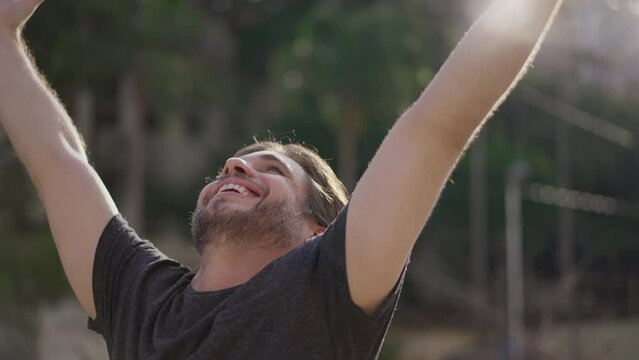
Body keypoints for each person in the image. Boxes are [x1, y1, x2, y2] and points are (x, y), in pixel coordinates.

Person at [0, 0, 564, 359]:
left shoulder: (326, 290)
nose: (236, 166)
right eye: (233, 164)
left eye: (271, 169)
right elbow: (58, 161)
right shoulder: (137, 298)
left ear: (321, 227)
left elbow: (436, 126)